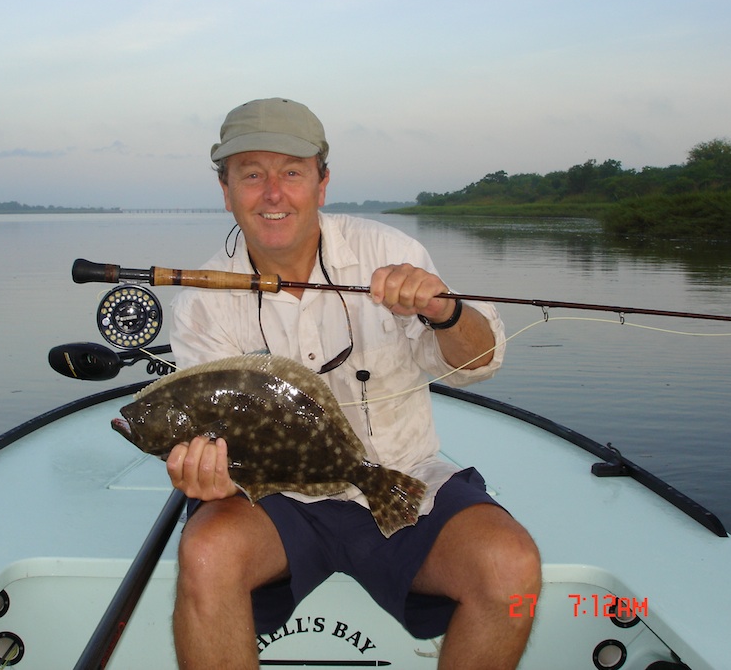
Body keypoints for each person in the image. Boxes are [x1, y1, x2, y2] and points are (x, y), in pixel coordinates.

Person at [166, 97, 541, 669]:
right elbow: (219, 442)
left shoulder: (391, 253)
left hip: (402, 476)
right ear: (226, 190)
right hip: (278, 501)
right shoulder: (200, 304)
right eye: (251, 174)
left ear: (321, 183)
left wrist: (446, 312)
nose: (273, 193)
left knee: (512, 569)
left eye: (292, 172)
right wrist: (211, 475)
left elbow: (475, 365)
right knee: (206, 552)